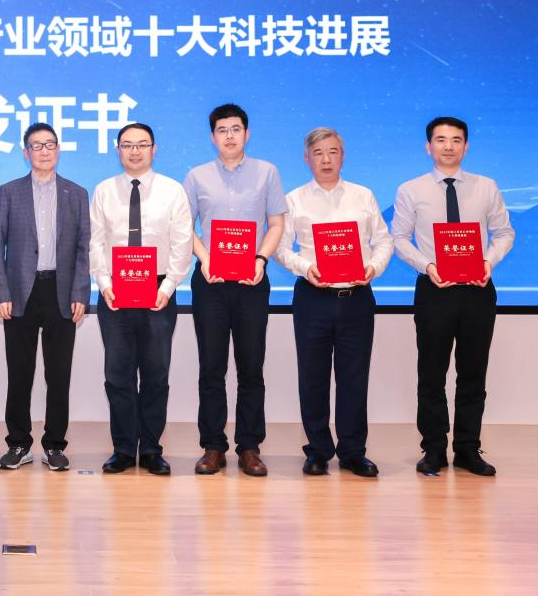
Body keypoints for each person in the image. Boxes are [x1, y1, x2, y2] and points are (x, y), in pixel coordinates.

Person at [391, 116, 514, 476]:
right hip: (435, 290)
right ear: (428, 146)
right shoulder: (410, 189)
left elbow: (504, 232)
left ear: (466, 146)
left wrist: (488, 261)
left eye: (456, 140)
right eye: (441, 139)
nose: (448, 146)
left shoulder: (486, 187)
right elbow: (399, 239)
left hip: (477, 290)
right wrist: (427, 265)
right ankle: (433, 449)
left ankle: (467, 449)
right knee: (431, 373)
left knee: (473, 373)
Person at [275, 127, 393, 477]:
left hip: (356, 297)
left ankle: (353, 452)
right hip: (313, 297)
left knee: (354, 377)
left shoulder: (363, 195)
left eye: (333, 152)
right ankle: (317, 451)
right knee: (312, 377)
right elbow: (280, 248)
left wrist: (373, 267)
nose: (326, 159)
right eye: (318, 153)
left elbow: (383, 241)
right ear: (306, 159)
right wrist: (305, 267)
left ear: (343, 155)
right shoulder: (294, 199)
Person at [184, 103, 286, 476]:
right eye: (222, 130)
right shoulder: (196, 176)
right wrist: (205, 258)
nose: (229, 136)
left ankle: (249, 447)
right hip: (210, 282)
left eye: (236, 129)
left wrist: (261, 259)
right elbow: (184, 226)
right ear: (213, 137)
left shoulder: (267, 172)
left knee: (251, 366)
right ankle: (213, 446)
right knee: (211, 366)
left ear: (247, 133)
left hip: (251, 281)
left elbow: (276, 223)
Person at [89, 123, 192, 476]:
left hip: (158, 291)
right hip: (115, 292)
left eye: (142, 145)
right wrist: (104, 283)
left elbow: (182, 243)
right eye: (127, 145)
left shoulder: (172, 190)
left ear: (154, 149)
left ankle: (150, 449)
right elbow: (95, 242)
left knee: (155, 374)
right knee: (117, 374)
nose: (135, 151)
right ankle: (122, 449)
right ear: (118, 150)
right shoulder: (104, 190)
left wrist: (168, 287)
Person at [0, 123, 90, 472]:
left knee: (58, 374)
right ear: (26, 152)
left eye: (50, 145)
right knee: (20, 373)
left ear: (58, 150)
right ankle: (18, 443)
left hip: (61, 291)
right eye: (37, 145)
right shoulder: (9, 192)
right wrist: (1, 292)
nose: (44, 151)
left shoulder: (76, 193)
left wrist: (80, 291)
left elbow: (84, 248)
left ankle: (54, 445)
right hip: (21, 291)